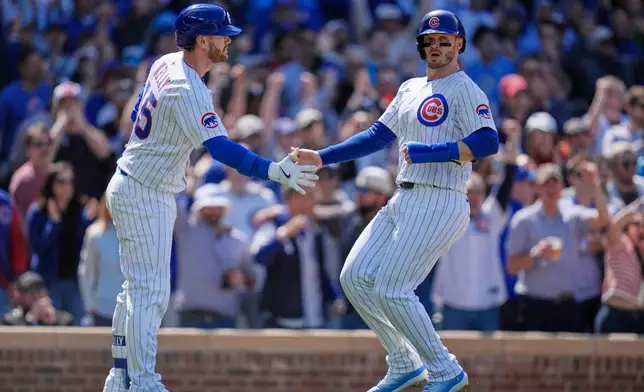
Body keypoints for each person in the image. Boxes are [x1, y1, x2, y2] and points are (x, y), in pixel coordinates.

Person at [102, 4, 319, 392]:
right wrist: (273, 170)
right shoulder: (188, 87)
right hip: (145, 192)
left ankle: (121, 375)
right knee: (150, 293)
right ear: (202, 39)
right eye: (222, 34)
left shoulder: (166, 63)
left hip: (135, 182)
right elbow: (221, 150)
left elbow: (138, 110)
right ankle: (143, 381)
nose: (228, 40)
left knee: (135, 290)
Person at [293, 10, 499, 392]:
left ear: (459, 45)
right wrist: (322, 156)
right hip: (403, 195)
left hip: (441, 198)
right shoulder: (409, 88)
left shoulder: (466, 89)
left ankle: (445, 370)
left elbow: (488, 142)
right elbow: (375, 136)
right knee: (354, 278)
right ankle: (404, 362)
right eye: (429, 41)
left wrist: (432, 152)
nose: (436, 47)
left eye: (444, 41)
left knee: (391, 287)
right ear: (421, 46)